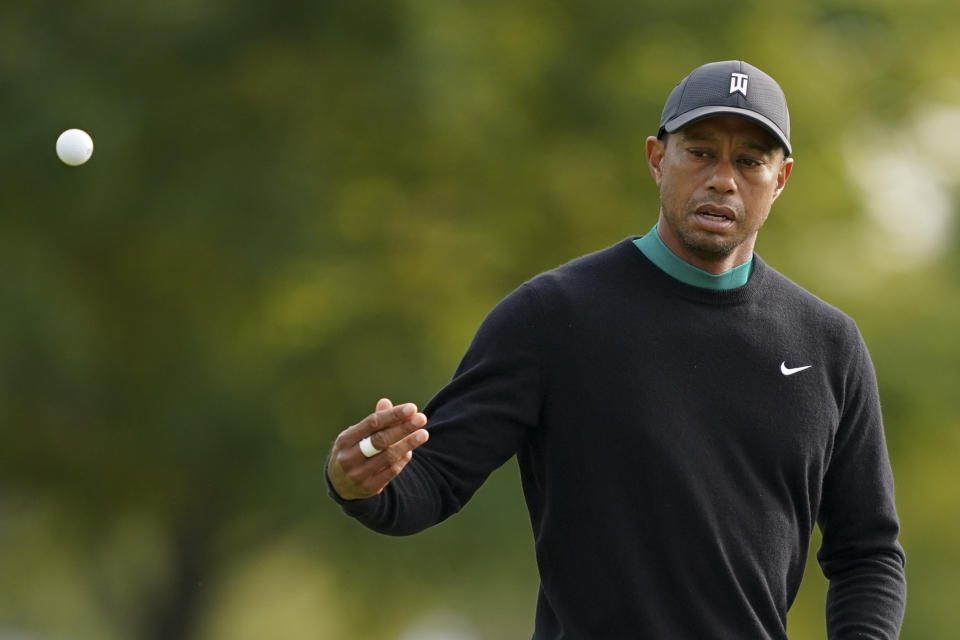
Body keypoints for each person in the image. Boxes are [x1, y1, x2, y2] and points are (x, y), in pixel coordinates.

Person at [325, 60, 907, 638]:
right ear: (658, 159)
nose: (722, 179)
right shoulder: (553, 316)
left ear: (779, 180)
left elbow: (868, 552)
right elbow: (431, 482)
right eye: (700, 152)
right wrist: (360, 482)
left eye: (750, 161)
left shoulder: (829, 345)